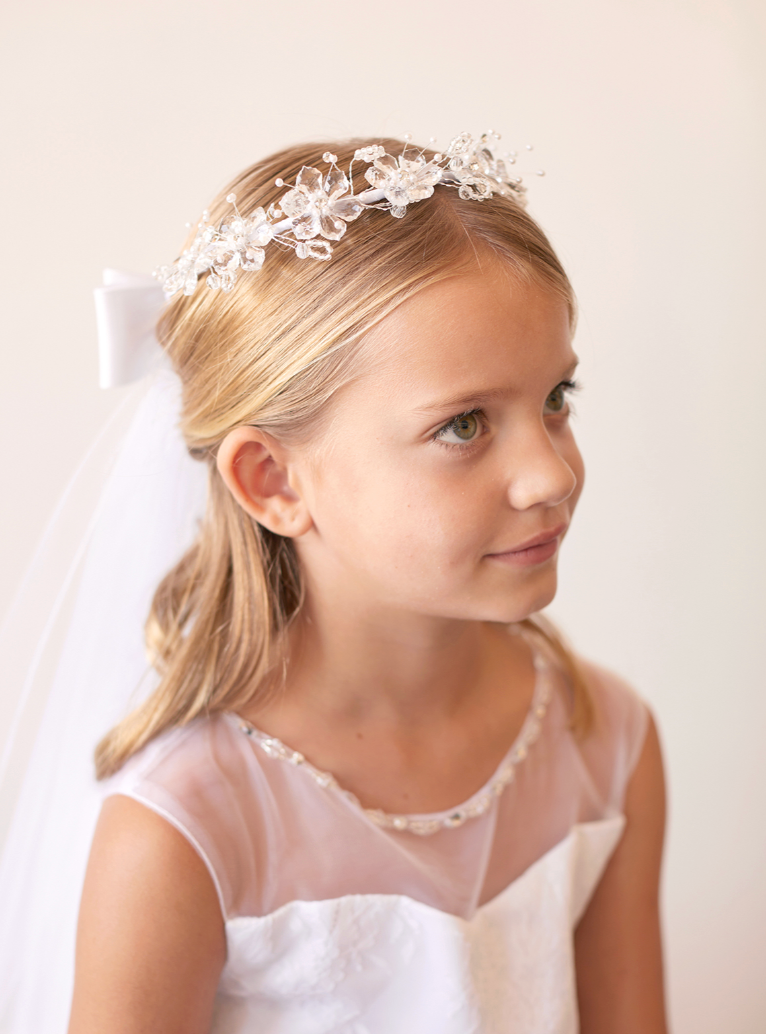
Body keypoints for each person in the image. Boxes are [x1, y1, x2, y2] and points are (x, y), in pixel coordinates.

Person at [63, 134, 667, 1033]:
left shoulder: (602, 738)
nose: (551, 474)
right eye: (464, 425)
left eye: (555, 401)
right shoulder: (187, 827)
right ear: (274, 481)